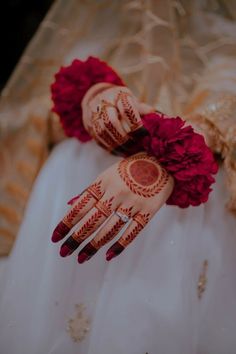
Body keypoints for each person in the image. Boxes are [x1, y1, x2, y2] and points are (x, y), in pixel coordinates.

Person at [0, 1, 235, 354]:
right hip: (79, 177)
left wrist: (175, 153)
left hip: (187, 207)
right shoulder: (94, 13)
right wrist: (94, 98)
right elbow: (32, 105)